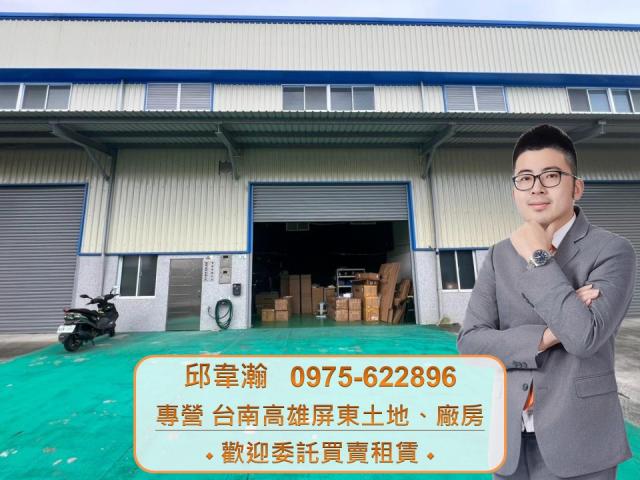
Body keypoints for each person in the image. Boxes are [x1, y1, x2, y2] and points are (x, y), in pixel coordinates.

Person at [457, 124, 636, 479]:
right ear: (515, 191)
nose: (536, 187)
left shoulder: (612, 251)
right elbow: (471, 343)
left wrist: (538, 257)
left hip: (580, 441)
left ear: (576, 187)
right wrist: (550, 335)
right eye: (525, 178)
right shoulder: (499, 256)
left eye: (551, 176)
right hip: (509, 442)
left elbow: (583, 338)